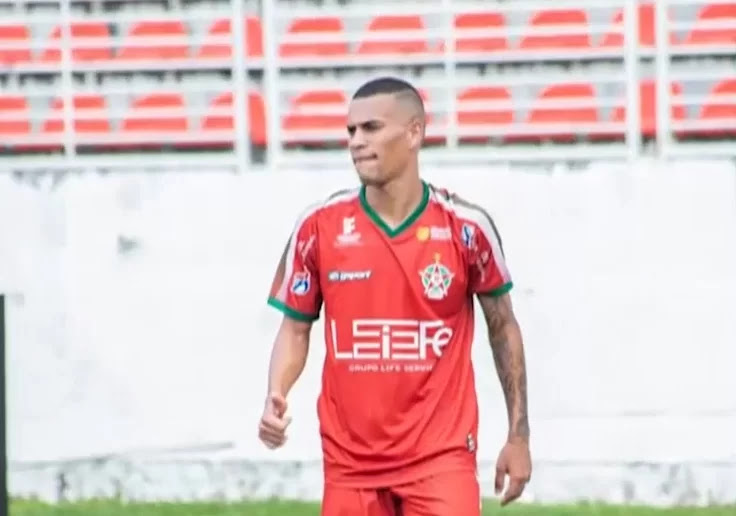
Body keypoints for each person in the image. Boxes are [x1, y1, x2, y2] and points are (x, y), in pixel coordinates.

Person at [259, 76, 532, 515]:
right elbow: (294, 329)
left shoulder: (466, 228)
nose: (356, 142)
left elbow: (503, 328)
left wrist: (519, 436)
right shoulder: (318, 227)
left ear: (414, 133)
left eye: (371, 128)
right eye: (351, 131)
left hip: (441, 459)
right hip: (350, 466)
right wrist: (277, 391)